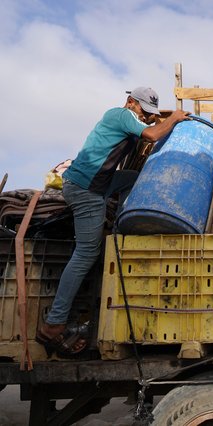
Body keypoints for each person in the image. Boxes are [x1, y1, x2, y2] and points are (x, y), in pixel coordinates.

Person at [36, 87, 191, 356]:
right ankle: (54, 324)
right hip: (87, 189)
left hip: (101, 185)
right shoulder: (120, 114)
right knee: (86, 253)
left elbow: (149, 131)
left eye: (149, 113)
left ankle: (126, 219)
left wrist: (159, 120)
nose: (146, 116)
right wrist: (174, 118)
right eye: (143, 110)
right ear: (131, 102)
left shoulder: (130, 120)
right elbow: (153, 134)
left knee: (135, 178)